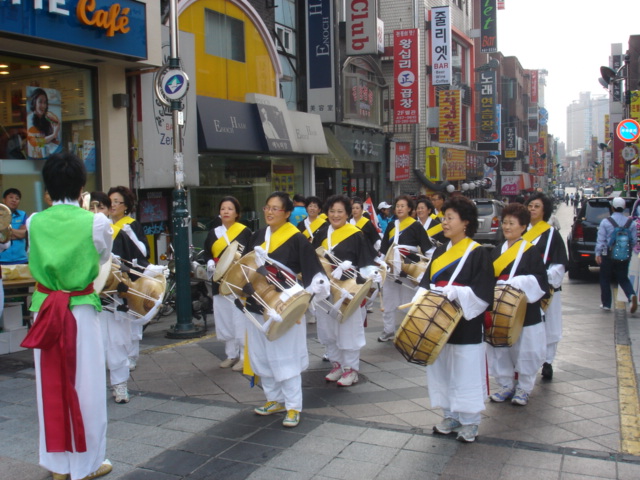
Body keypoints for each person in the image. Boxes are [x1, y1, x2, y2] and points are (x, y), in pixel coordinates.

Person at [22, 152, 113, 480]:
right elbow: (103, 257)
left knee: (49, 384)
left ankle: (58, 464)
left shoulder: (33, 221)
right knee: (86, 386)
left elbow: (33, 254)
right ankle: (87, 463)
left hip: (45, 308)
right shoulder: (97, 221)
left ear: (47, 186)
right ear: (81, 186)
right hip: (79, 308)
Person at [243, 192, 329, 427]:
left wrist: (302, 305)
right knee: (262, 355)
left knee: (285, 356)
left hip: (284, 305)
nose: (269, 212)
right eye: (267, 208)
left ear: (288, 213)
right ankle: (274, 399)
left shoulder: (296, 239)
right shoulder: (258, 236)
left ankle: (293, 406)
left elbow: (315, 274)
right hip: (257, 304)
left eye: (275, 208)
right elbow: (243, 267)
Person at [413, 196, 494, 443]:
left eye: (450, 218)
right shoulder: (440, 250)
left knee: (465, 370)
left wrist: (456, 292)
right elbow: (426, 283)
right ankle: (450, 414)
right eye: (444, 218)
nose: (444, 223)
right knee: (442, 369)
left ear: (466, 223)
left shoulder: (478, 253)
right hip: (438, 323)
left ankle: (470, 420)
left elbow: (483, 293)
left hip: (466, 325)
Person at [312, 195, 380, 386]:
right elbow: (313, 258)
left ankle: (351, 369)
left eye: (340, 211)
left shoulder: (356, 234)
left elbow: (366, 263)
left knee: (348, 329)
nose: (335, 215)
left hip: (348, 290)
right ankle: (336, 364)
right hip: (325, 290)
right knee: (328, 329)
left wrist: (368, 279)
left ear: (348, 213)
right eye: (332, 211)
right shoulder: (321, 233)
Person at [488, 203, 549, 407]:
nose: (506, 227)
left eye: (511, 223)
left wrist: (517, 283)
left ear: (523, 227)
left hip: (525, 310)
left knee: (526, 349)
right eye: (504, 222)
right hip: (501, 309)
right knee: (500, 348)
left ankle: (524, 387)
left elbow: (541, 282)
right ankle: (505, 384)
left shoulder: (531, 252)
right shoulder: (497, 251)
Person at [203, 196, 252, 370]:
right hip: (219, 280)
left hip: (238, 281)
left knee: (239, 318)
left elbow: (250, 256)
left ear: (237, 213)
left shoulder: (245, 232)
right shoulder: (213, 233)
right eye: (223, 208)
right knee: (224, 317)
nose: (226, 211)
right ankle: (230, 354)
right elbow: (207, 252)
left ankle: (243, 355)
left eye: (230, 208)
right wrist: (209, 261)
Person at [524, 192, 568, 380]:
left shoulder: (551, 234)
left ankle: (548, 361)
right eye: (530, 205)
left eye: (537, 206)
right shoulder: (520, 232)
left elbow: (559, 264)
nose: (532, 209)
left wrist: (544, 278)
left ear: (544, 211)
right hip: (524, 288)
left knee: (549, 323)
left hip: (547, 287)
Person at [107, 186, 150, 383]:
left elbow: (143, 252)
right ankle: (116, 354)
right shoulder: (105, 224)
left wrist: (129, 233)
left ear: (126, 206)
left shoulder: (132, 224)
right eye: (111, 201)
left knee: (131, 316)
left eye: (117, 201)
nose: (113, 205)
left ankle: (132, 355)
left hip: (130, 275)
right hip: (111, 277)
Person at [378, 195, 431, 342]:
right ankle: (388, 331)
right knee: (388, 298)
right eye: (398, 206)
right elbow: (384, 248)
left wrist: (429, 266)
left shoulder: (415, 225)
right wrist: (380, 265)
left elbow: (427, 248)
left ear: (409, 209)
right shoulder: (391, 225)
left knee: (408, 299)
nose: (399, 208)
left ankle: (410, 331)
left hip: (409, 267)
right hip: (390, 267)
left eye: (403, 206)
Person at [596, 197, 638, 313]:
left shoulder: (606, 222)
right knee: (623, 278)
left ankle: (606, 304)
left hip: (608, 255)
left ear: (612, 207)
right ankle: (631, 296)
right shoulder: (631, 223)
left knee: (605, 278)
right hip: (624, 255)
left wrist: (598, 253)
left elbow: (601, 240)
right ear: (624, 208)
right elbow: (634, 241)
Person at [27, 88, 60, 158]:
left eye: (45, 102)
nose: (43, 106)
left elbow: (55, 140)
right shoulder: (30, 119)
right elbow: (37, 141)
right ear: (34, 102)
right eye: (40, 102)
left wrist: (55, 132)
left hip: (49, 155)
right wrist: (54, 135)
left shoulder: (47, 117)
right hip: (36, 157)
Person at [0, 188, 28, 265]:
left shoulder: (22, 215)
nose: (14, 200)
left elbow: (25, 234)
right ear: (4, 200)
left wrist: (5, 231)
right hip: (2, 259)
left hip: (21, 259)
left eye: (17, 198)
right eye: (11, 197)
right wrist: (17, 233)